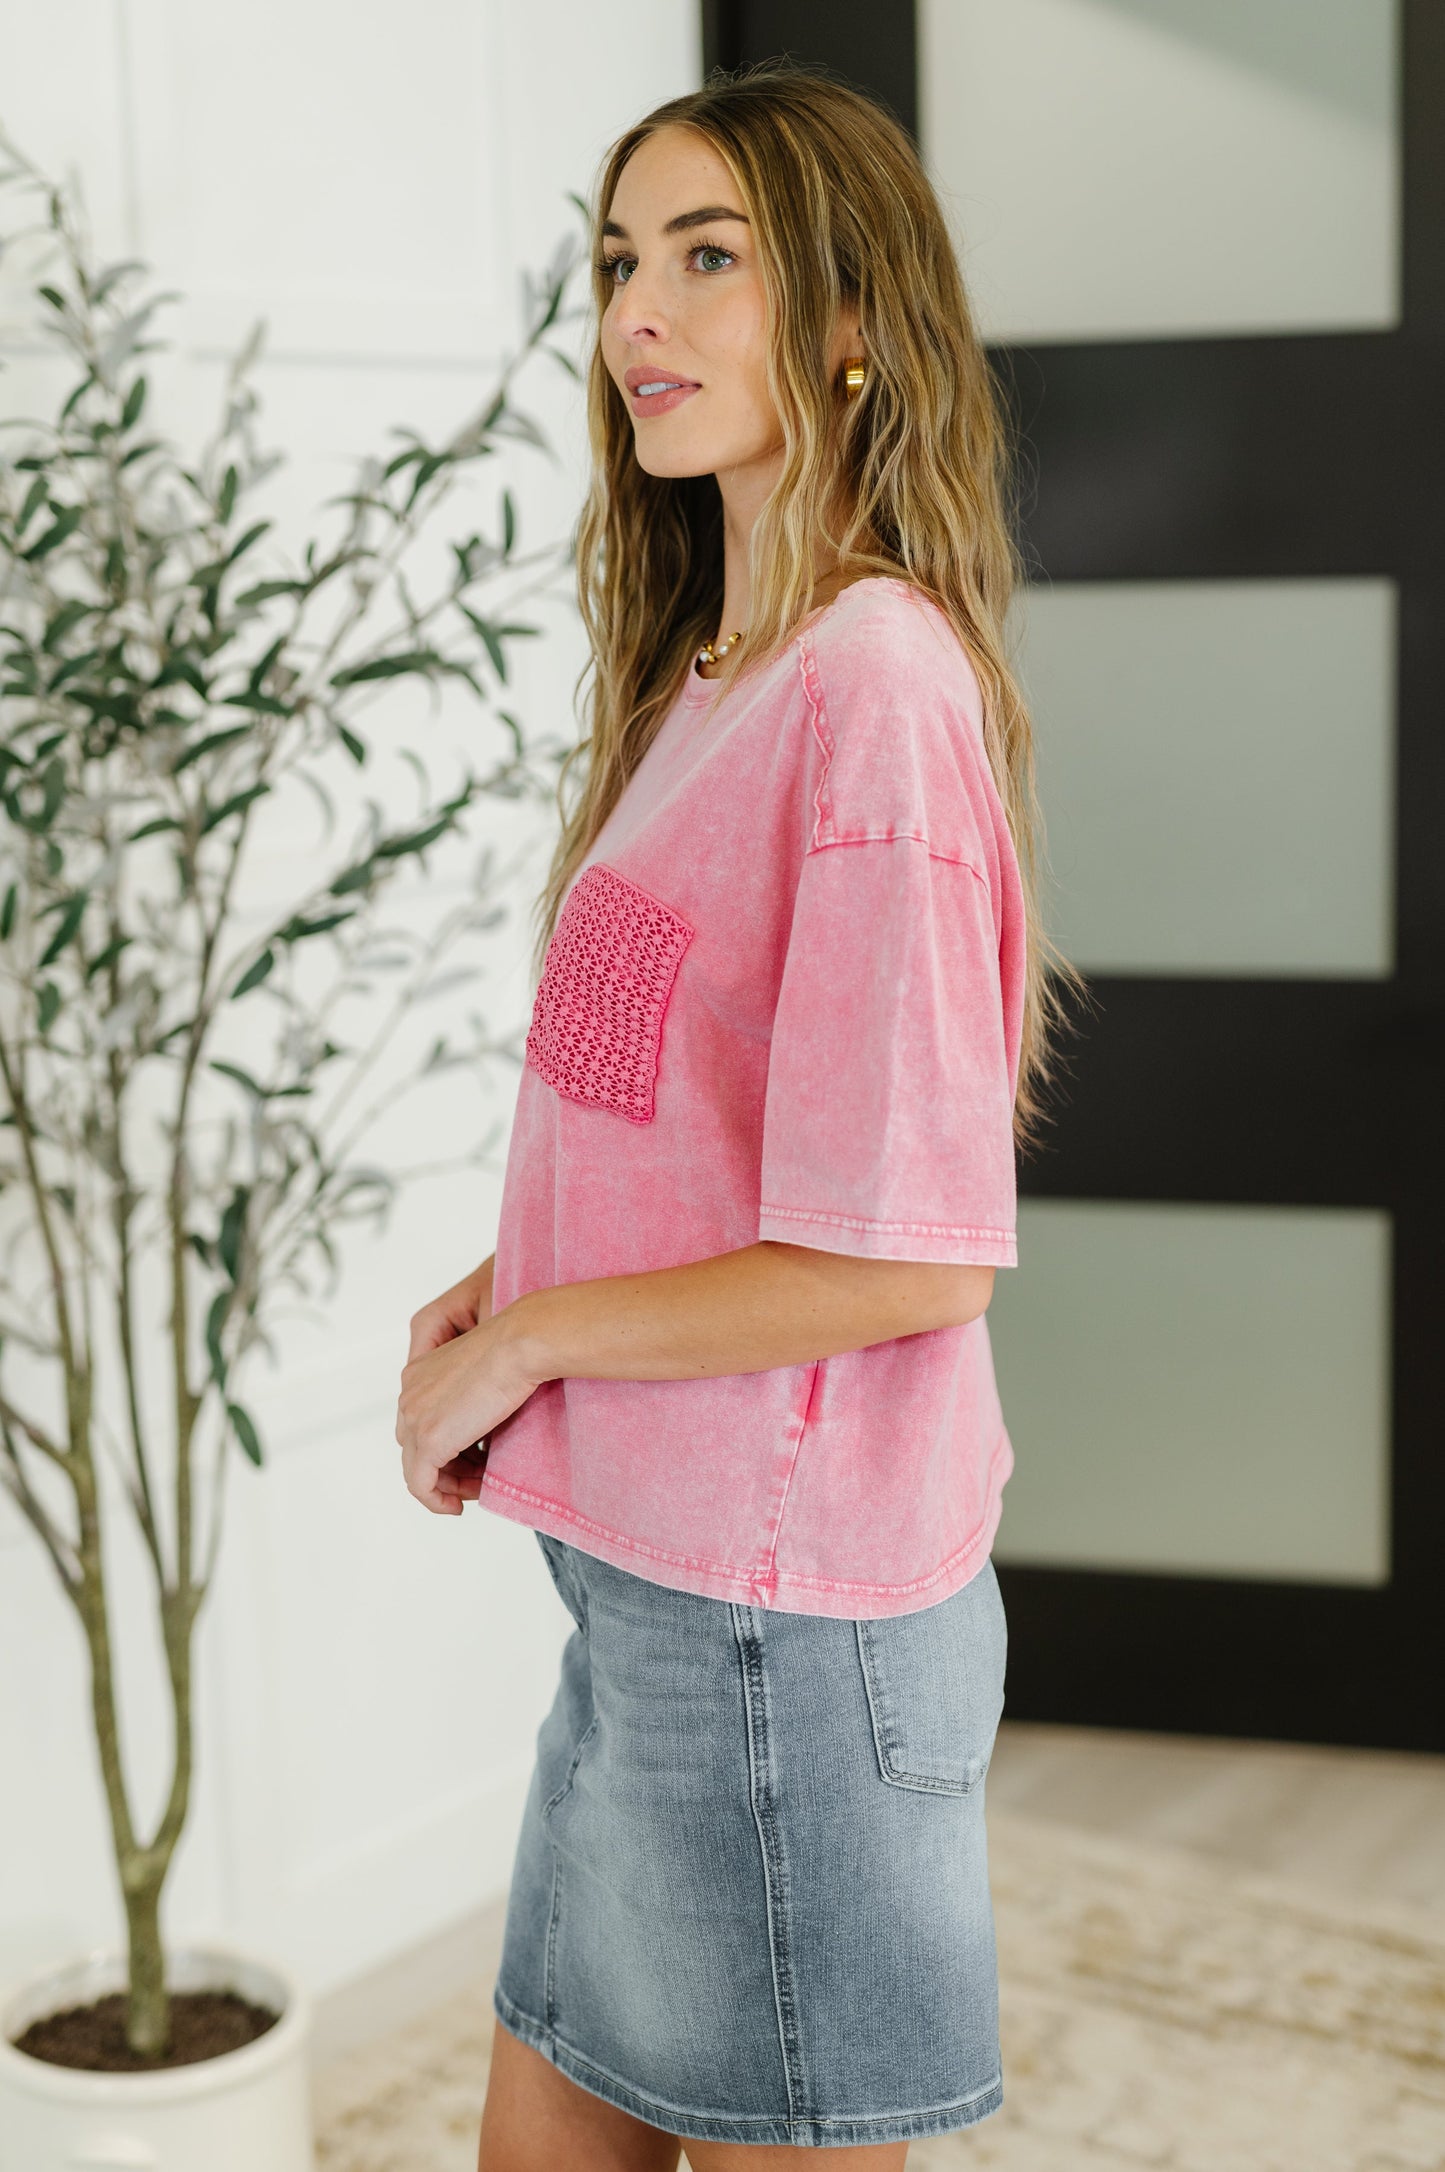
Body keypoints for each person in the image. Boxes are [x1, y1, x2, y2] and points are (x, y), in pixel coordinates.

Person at [395, 59, 1070, 2172]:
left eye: (711, 258)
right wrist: (506, 1282)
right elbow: (691, 1135)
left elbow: (911, 1246)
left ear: (853, 318)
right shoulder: (719, 679)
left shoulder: (875, 686)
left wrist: (533, 1343)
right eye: (619, 264)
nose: (640, 318)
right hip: (648, 1593)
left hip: (788, 1640)